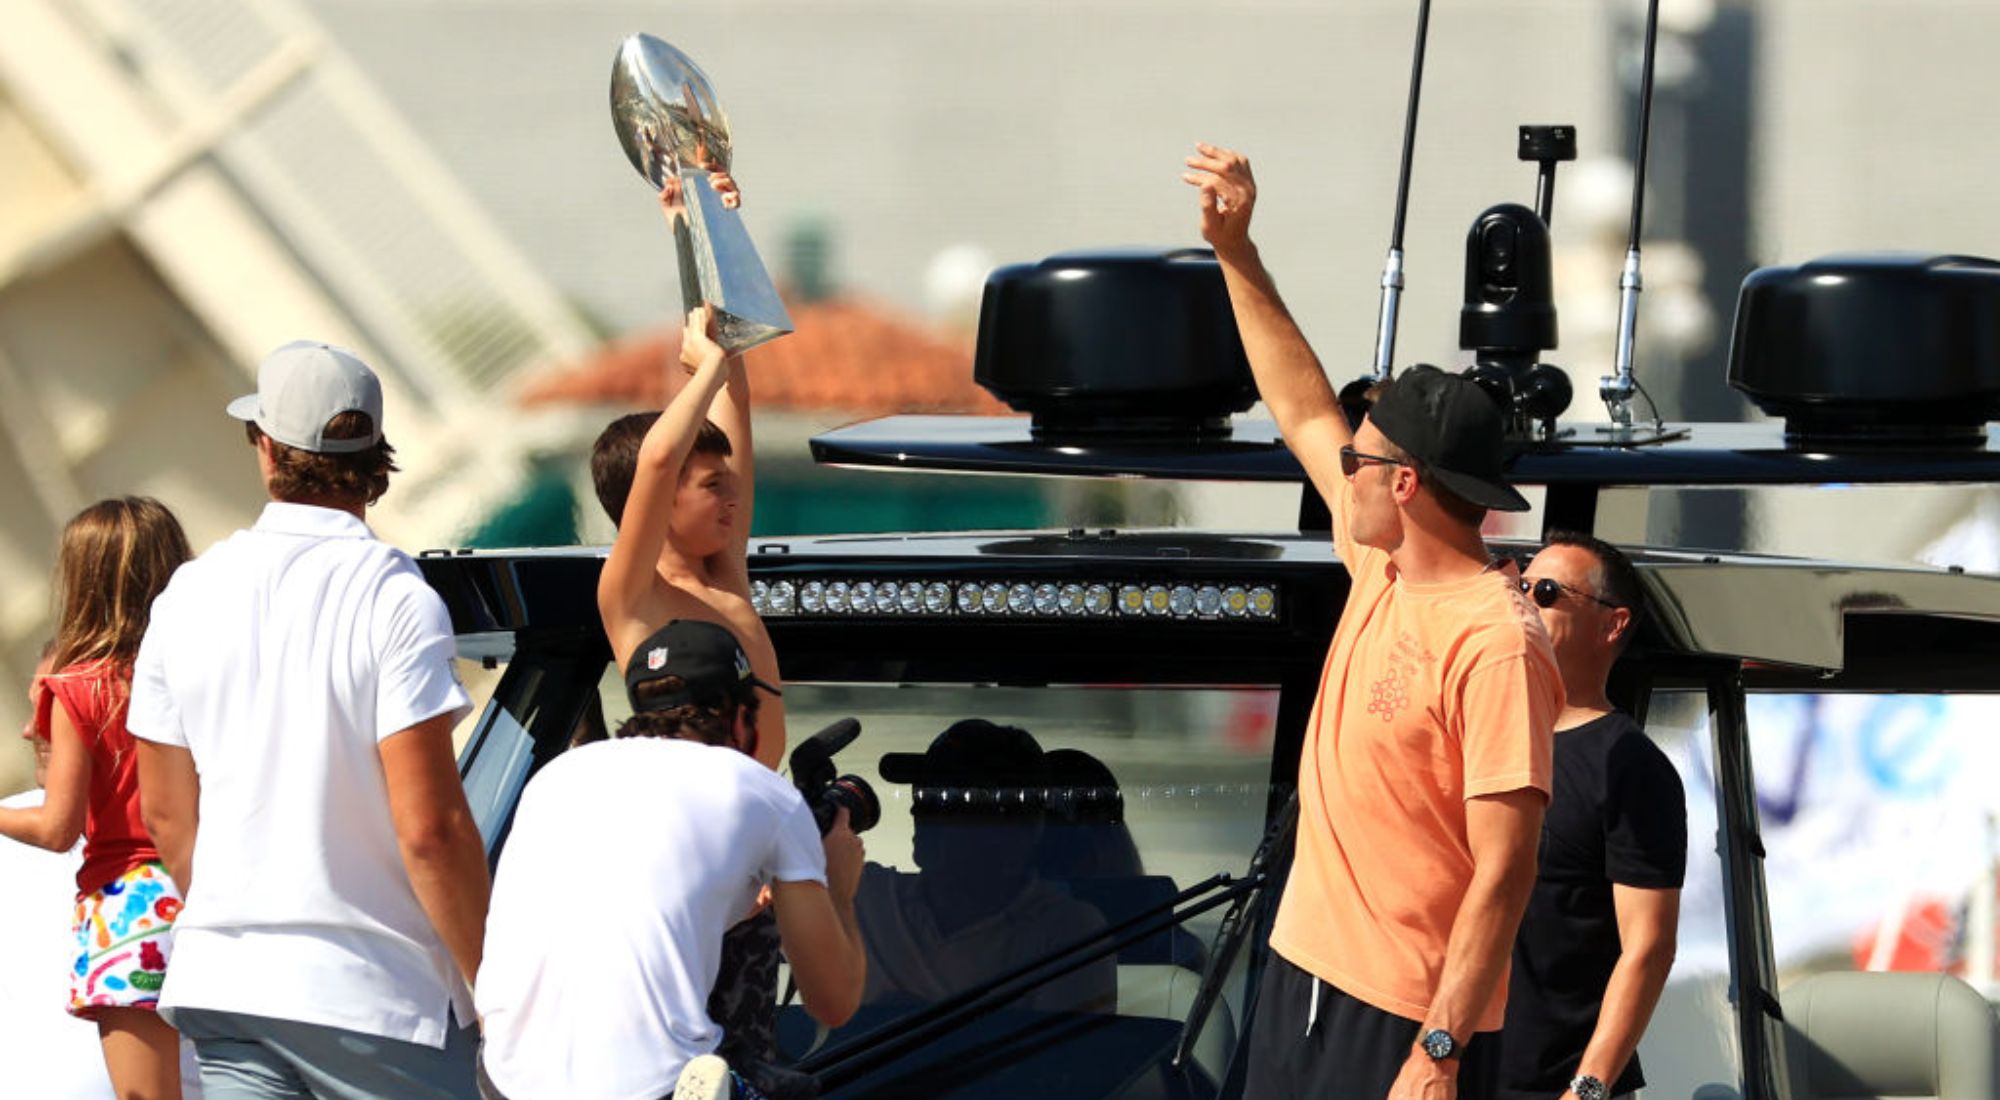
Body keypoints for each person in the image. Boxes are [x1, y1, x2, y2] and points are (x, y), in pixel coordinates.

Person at [1183, 144, 1565, 1100]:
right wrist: (1238, 251)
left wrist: (1437, 1053)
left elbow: (1505, 872)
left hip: (1400, 1014)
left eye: (1358, 459)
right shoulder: (1380, 564)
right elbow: (1301, 402)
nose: (1336, 465)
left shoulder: (1495, 641)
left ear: (1403, 484)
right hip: (1305, 977)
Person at [130, 341, 489, 1098]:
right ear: (373, 455)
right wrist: (498, 989)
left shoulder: (186, 597)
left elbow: (165, 814)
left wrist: (245, 913)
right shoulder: (396, 599)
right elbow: (431, 831)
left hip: (225, 984)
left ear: (267, 449)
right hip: (375, 997)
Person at [474, 619, 867, 1100]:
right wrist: (840, 889)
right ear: (739, 716)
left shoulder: (555, 778)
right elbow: (833, 1003)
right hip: (645, 1089)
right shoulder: (764, 794)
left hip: (503, 1079)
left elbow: (620, 913)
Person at [594, 174, 788, 772]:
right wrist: (703, 374)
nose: (734, 495)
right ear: (656, 501)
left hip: (757, 817)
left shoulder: (724, 572)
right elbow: (657, 457)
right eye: (710, 485)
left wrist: (702, 223)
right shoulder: (632, 596)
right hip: (690, 831)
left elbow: (734, 385)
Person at [0, 501, 192, 1099]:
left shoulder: (75, 689)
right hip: (211, 892)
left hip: (128, 907)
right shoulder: (201, 669)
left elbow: (59, 828)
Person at [1499, 533, 1685, 1100]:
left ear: (1612, 624)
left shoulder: (1629, 765)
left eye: (1548, 592)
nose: (1526, 601)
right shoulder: (1479, 737)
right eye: (1519, 587)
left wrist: (1589, 1088)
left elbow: (1648, 946)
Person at [858, 721, 1117, 1016]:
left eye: (950, 800)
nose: (919, 811)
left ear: (1020, 830)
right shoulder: (867, 895)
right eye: (922, 795)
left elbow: (1065, 1059)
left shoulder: (1068, 934)